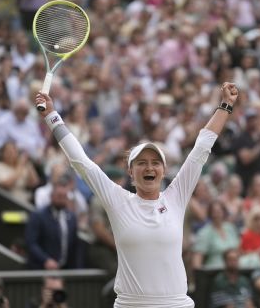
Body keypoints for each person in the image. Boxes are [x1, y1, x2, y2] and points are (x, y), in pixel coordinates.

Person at [35, 82, 239, 307]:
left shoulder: (176, 197)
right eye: (141, 163)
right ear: (131, 172)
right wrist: (52, 116)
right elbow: (81, 162)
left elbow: (201, 148)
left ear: (163, 171)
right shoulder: (118, 201)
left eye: (155, 163)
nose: (149, 168)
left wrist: (225, 105)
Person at [25, 176, 80, 270]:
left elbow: (74, 244)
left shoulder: (71, 217)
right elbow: (31, 243)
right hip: (42, 268)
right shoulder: (38, 216)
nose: (61, 199)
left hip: (65, 268)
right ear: (51, 196)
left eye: (64, 196)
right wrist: (45, 260)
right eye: (59, 196)